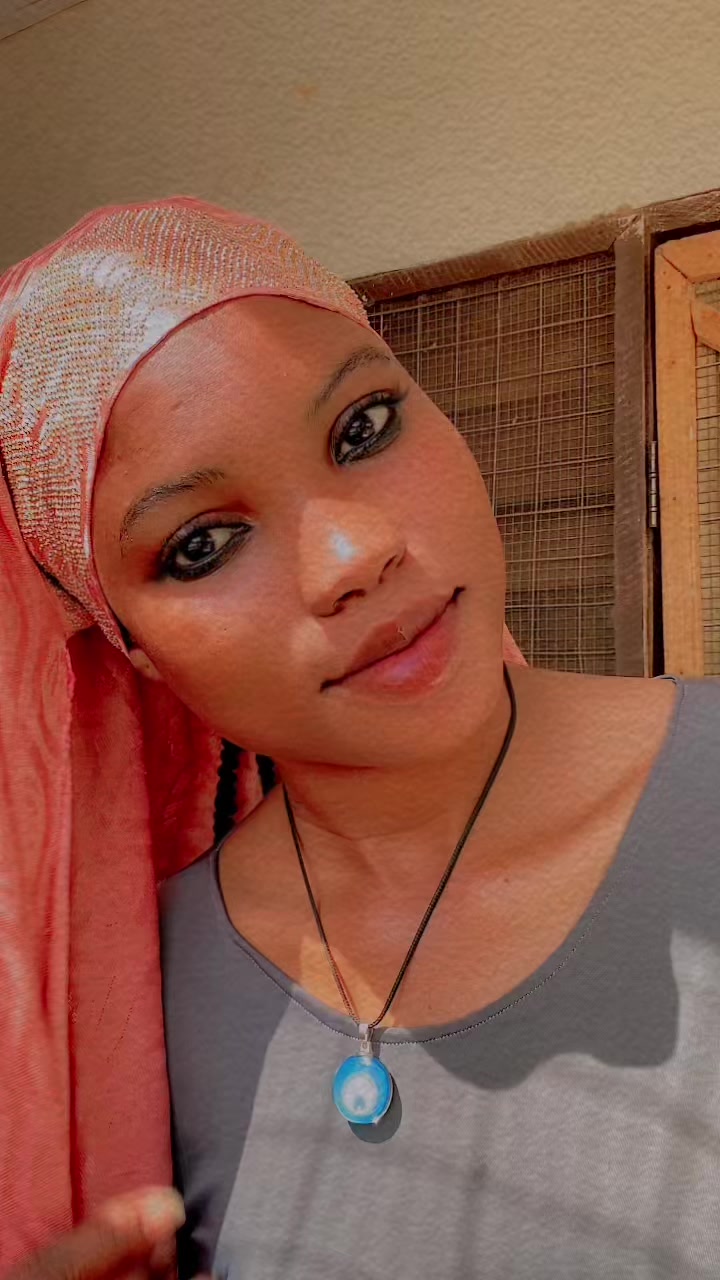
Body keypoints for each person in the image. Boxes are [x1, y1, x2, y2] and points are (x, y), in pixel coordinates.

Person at [1, 198, 718, 1280]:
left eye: (364, 427)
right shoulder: (146, 1000)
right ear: (130, 644)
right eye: (203, 544)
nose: (352, 554)